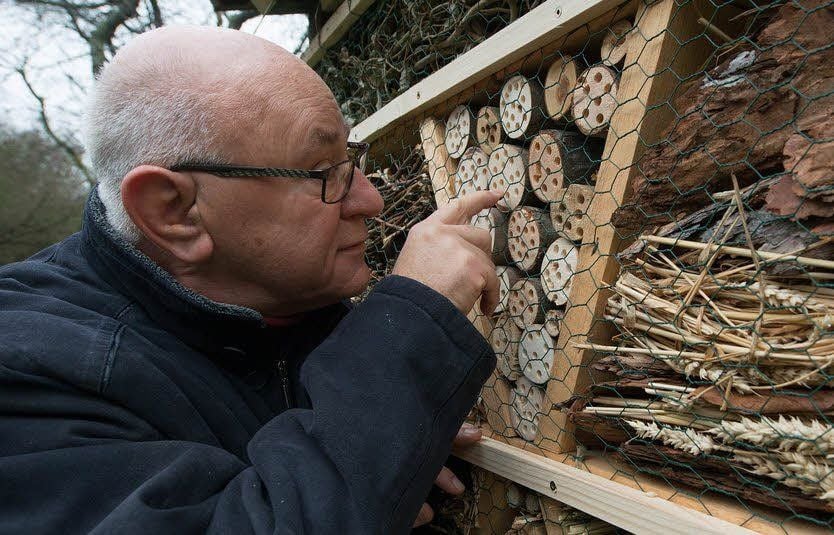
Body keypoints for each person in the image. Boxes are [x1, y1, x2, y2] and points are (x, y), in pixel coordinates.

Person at [0, 25, 502, 534]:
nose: (369, 200)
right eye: (321, 171)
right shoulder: (27, 375)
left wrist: (390, 440)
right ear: (174, 212)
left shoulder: (286, 298)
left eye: (350, 160)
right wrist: (410, 329)